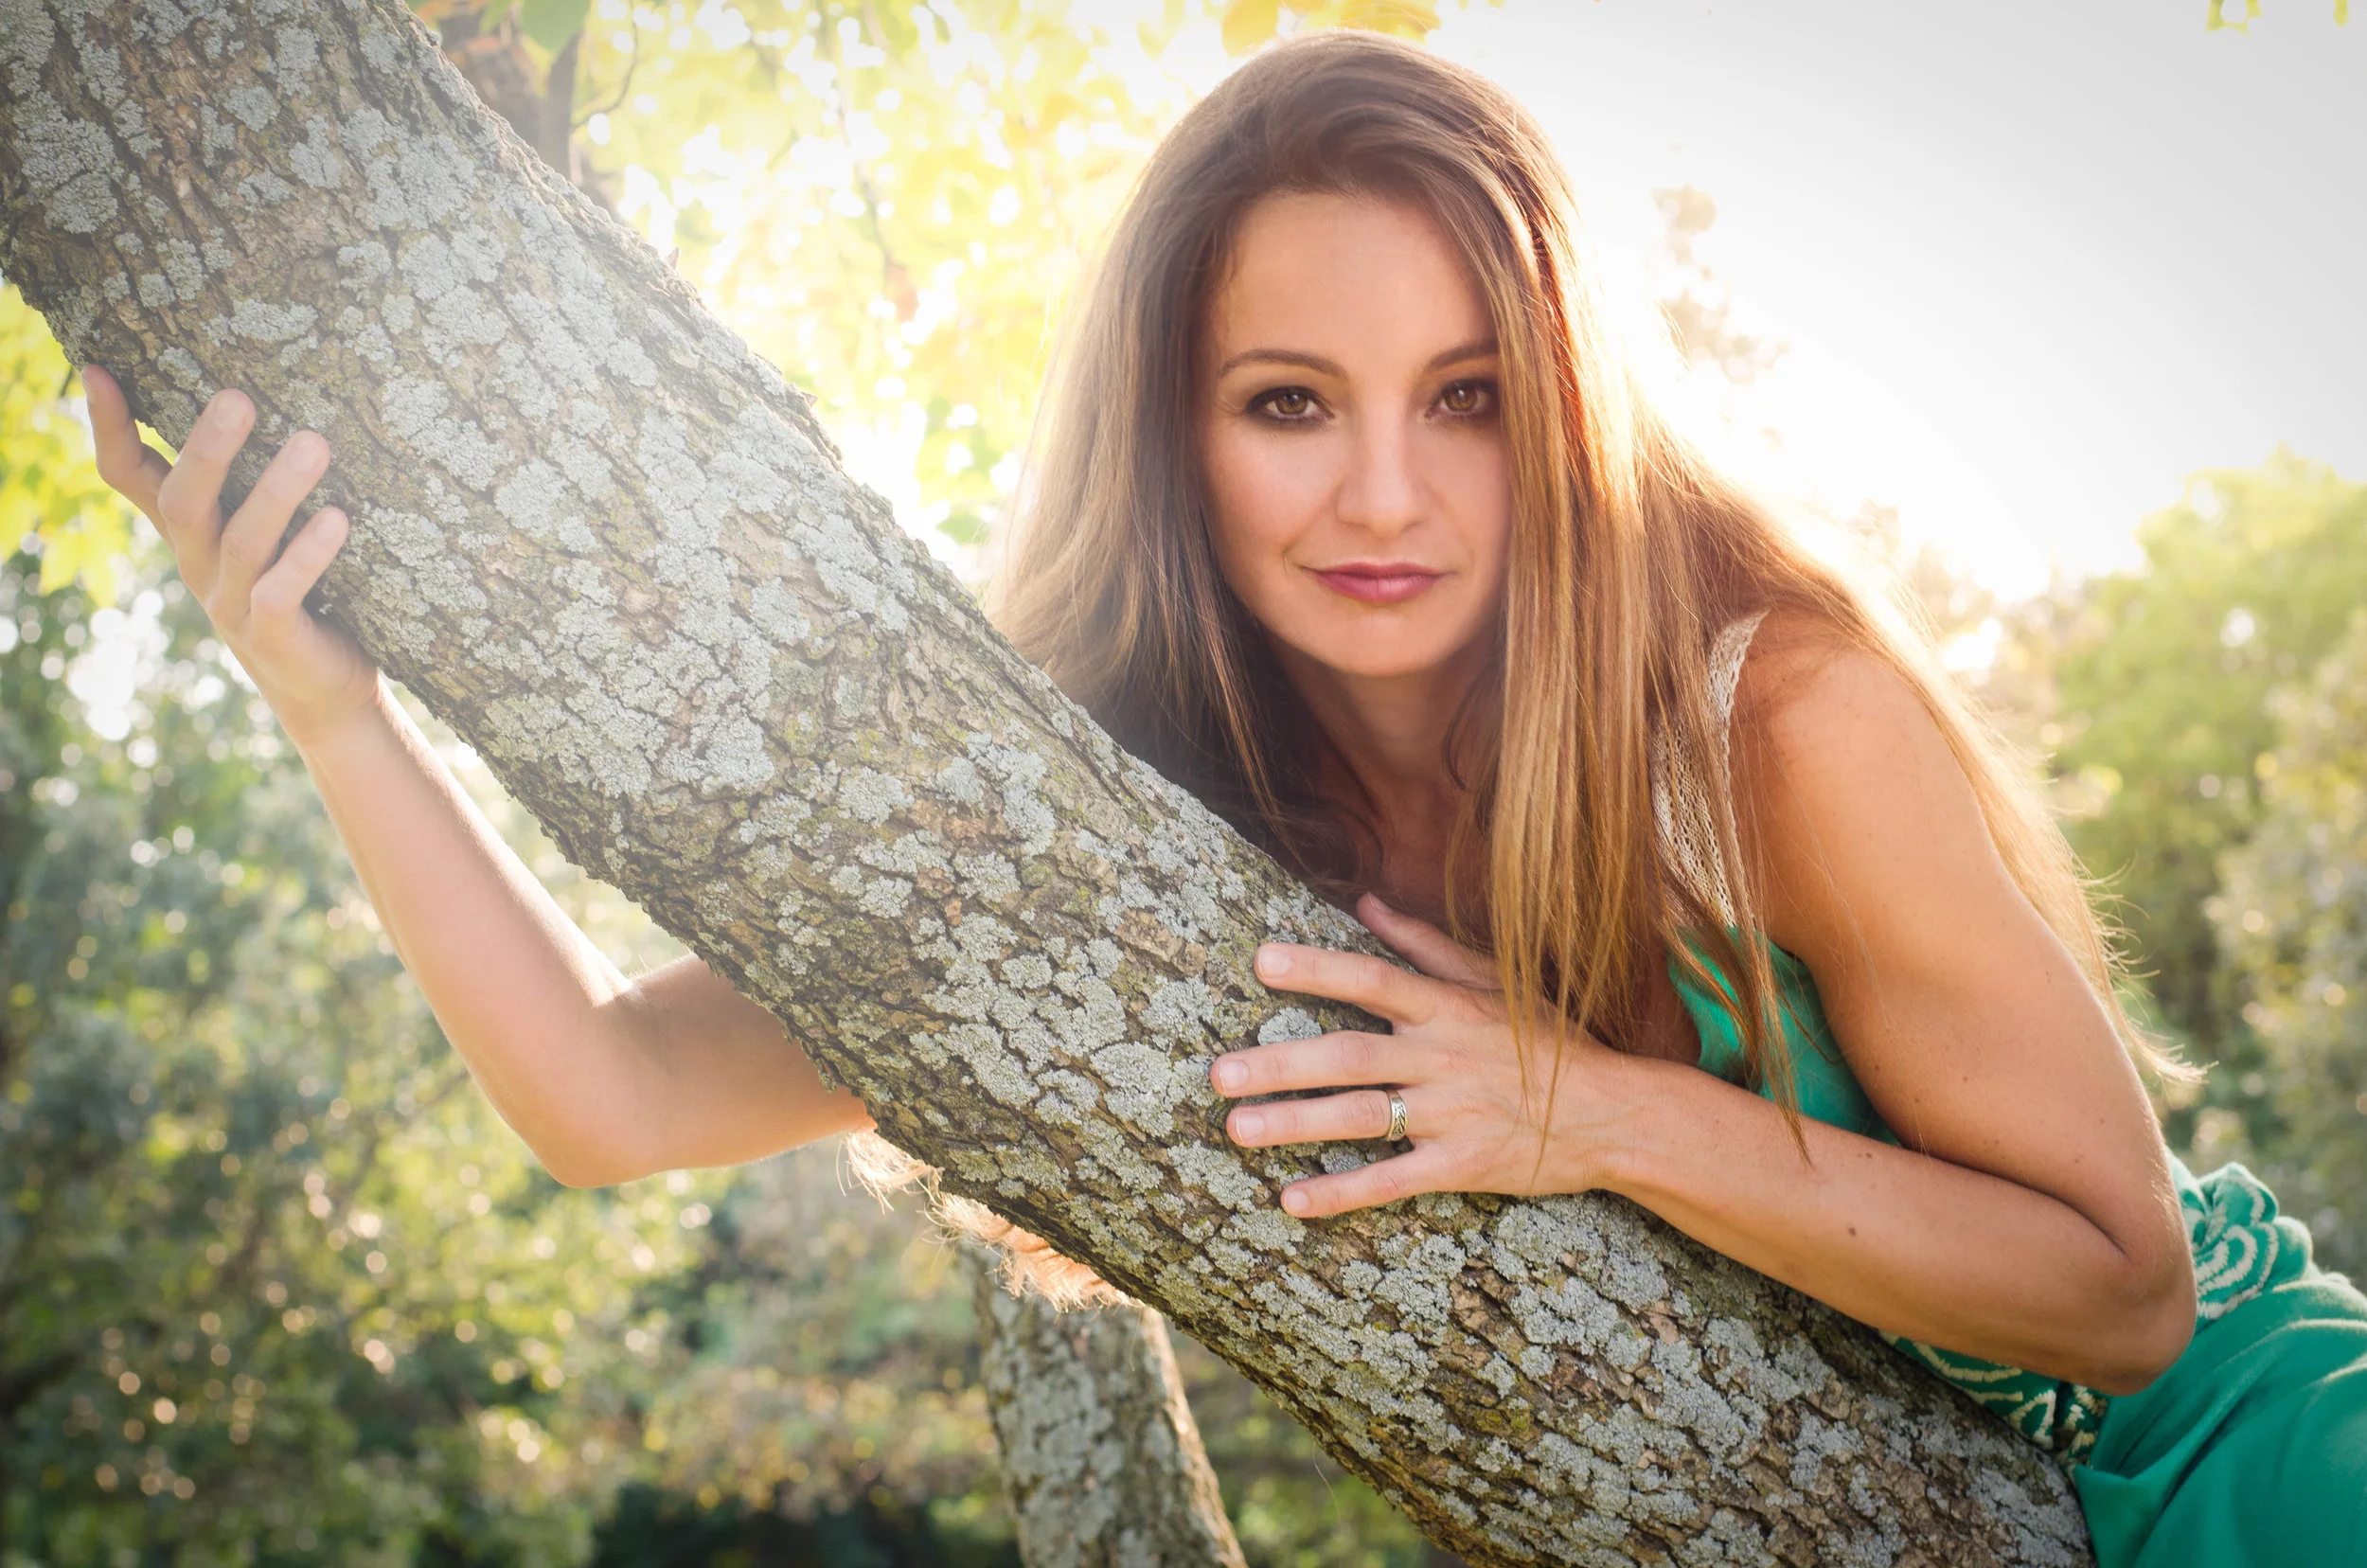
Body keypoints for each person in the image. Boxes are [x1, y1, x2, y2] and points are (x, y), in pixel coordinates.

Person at [84, 29, 2361, 1568]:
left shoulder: (1761, 713)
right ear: (1175, 429)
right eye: (1289, 402)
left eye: (1464, 396)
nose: (1384, 491)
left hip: (2265, 1473)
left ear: (1559, 401)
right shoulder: (1150, 830)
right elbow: (606, 1095)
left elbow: (2122, 1294)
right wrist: (337, 718)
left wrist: (1583, 1108)